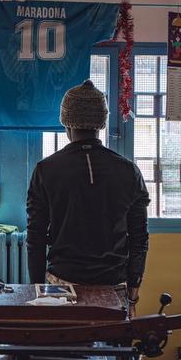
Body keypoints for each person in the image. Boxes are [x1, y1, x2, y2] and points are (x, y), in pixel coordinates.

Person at [26, 80, 151, 318]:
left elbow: (35, 237)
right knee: (112, 353)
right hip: (113, 286)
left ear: (66, 123)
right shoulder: (128, 171)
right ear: (101, 124)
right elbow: (139, 239)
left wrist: (39, 292)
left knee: (64, 351)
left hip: (61, 285)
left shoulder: (46, 170)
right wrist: (133, 294)